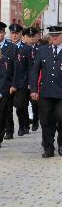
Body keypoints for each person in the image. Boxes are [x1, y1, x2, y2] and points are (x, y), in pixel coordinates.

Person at [29, 25, 62, 158]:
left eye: (57, 36)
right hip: (45, 92)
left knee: (61, 118)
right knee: (46, 121)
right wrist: (33, 90)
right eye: (52, 36)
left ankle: (61, 144)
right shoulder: (43, 50)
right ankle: (48, 147)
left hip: (61, 93)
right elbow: (34, 71)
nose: (54, 38)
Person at [0, 21, 17, 147]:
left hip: (6, 85)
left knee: (2, 113)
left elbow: (16, 68)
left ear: (3, 33)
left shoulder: (11, 47)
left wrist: (14, 84)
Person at [12, 25, 32, 137]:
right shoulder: (8, 47)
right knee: (9, 107)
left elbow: (30, 67)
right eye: (13, 33)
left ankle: (22, 126)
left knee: (21, 106)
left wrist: (30, 82)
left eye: (17, 33)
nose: (14, 35)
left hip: (22, 82)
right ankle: (9, 129)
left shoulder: (27, 48)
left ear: (21, 35)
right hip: (9, 82)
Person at [25, 27, 42, 132]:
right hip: (24, 80)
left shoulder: (42, 49)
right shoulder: (22, 48)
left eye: (33, 36)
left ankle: (35, 120)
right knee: (22, 104)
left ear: (37, 36)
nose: (31, 38)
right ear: (26, 37)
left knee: (35, 103)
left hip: (36, 80)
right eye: (29, 36)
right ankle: (25, 124)